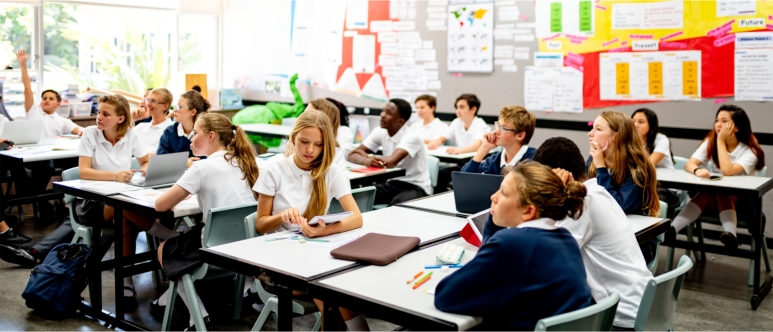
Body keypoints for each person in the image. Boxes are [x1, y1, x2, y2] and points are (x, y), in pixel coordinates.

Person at [434, 162, 592, 330]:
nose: (493, 197)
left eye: (503, 193)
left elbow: (445, 296)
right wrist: (496, 221)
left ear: (528, 211)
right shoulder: (564, 237)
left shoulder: (513, 244)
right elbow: (490, 265)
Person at [253, 109, 366, 331]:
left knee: (339, 288)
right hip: (279, 261)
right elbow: (260, 224)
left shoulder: (330, 171)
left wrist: (326, 231)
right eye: (304, 142)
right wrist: (280, 216)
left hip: (316, 251)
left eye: (318, 145)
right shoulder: (275, 169)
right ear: (293, 137)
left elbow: (357, 217)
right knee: (334, 290)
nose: (310, 150)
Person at [151, 113, 259, 330]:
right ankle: (171, 303)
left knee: (164, 249)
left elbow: (160, 205)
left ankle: (198, 316)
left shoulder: (201, 168)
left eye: (195, 133)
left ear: (211, 136)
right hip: (246, 246)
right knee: (185, 238)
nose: (190, 138)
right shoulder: (248, 161)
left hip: (213, 249)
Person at [532, 137, 652, 329]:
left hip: (620, 318)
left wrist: (544, 200)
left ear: (558, 175)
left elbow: (543, 255)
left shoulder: (582, 204)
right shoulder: (597, 192)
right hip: (641, 306)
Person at [76, 95, 182, 305]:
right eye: (99, 112)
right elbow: (83, 171)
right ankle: (169, 237)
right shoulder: (90, 134)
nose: (99, 117)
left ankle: (126, 283)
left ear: (121, 119)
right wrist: (115, 176)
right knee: (123, 209)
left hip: (120, 199)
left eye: (106, 114)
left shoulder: (131, 135)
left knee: (123, 221)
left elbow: (144, 161)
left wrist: (144, 169)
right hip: (92, 204)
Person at [669, 105, 765, 248]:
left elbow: (727, 171)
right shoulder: (710, 141)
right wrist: (697, 170)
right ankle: (671, 231)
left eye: (724, 121)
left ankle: (730, 234)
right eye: (717, 120)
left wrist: (721, 141)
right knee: (710, 191)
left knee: (720, 190)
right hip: (713, 200)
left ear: (737, 127)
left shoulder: (750, 151)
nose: (718, 125)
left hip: (744, 205)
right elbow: (690, 163)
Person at [16, 50, 83, 218]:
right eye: (44, 97)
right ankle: (32, 196)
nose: (46, 100)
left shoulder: (62, 120)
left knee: (77, 160)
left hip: (52, 155)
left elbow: (79, 131)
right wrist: (23, 65)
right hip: (35, 157)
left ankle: (71, 200)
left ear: (58, 104)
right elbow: (27, 89)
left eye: (51, 98)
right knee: (47, 166)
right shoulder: (34, 113)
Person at [349, 99, 432, 206]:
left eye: (388, 113)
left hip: (415, 186)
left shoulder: (411, 136)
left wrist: (367, 156)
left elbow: (391, 162)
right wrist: (366, 160)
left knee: (395, 208)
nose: (382, 115)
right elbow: (352, 154)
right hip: (392, 183)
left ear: (400, 121)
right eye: (383, 111)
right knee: (357, 198)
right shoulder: (380, 131)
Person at [587, 111, 660, 217]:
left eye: (598, 129)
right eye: (592, 128)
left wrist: (601, 169)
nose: (590, 133)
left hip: (630, 229)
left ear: (616, 137)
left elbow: (616, 206)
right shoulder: (593, 159)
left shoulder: (637, 169)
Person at [427, 94, 490, 192]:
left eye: (462, 107)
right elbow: (442, 138)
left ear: (473, 109)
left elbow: (477, 145)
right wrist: (435, 142)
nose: (458, 111)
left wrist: (459, 150)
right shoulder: (456, 122)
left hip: (477, 166)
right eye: (457, 107)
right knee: (441, 174)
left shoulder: (481, 125)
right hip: (461, 164)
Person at [461, 105, 536, 175]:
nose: (496, 132)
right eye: (498, 125)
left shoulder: (535, 159)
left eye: (503, 128)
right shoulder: (493, 161)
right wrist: (483, 148)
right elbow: (463, 180)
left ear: (520, 135)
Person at [290, 99, 348, 174]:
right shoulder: (296, 143)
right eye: (304, 114)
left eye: (319, 144)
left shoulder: (334, 161)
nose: (303, 118)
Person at [157, 90, 210, 167]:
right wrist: (183, 163)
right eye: (175, 106)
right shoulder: (169, 132)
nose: (175, 110)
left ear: (193, 112)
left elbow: (209, 160)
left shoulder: (205, 133)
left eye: (180, 107)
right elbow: (160, 161)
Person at [133, 88, 174, 156]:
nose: (148, 104)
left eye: (153, 101)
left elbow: (170, 155)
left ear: (165, 106)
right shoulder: (140, 127)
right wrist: (132, 119)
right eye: (148, 99)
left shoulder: (172, 129)